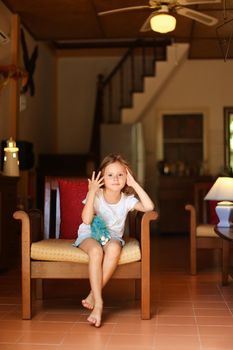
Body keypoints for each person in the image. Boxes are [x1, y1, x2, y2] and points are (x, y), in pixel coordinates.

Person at [74, 153, 154, 327]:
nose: (116, 179)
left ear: (127, 177)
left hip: (113, 238)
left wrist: (134, 184)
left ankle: (93, 295)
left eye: (120, 174)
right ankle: (99, 304)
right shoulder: (97, 195)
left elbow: (149, 207)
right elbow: (87, 220)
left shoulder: (127, 200)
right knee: (95, 251)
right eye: (110, 175)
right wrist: (92, 192)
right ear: (102, 177)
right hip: (89, 235)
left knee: (114, 249)